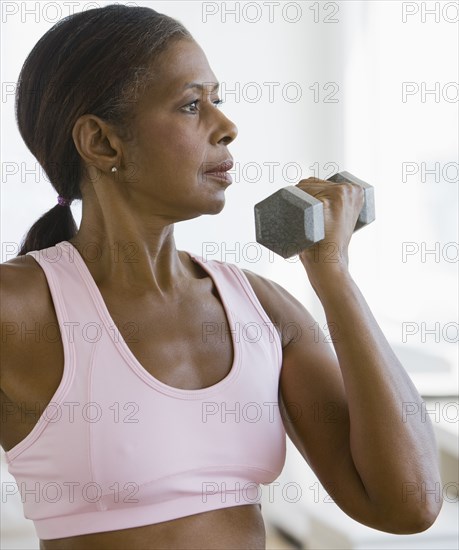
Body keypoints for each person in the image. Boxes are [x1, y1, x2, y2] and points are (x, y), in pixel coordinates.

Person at [0, 4, 442, 550]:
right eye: (191, 106)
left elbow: (408, 503)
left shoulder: (264, 309)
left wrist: (334, 276)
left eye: (218, 100)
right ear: (102, 143)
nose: (227, 128)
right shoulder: (17, 308)